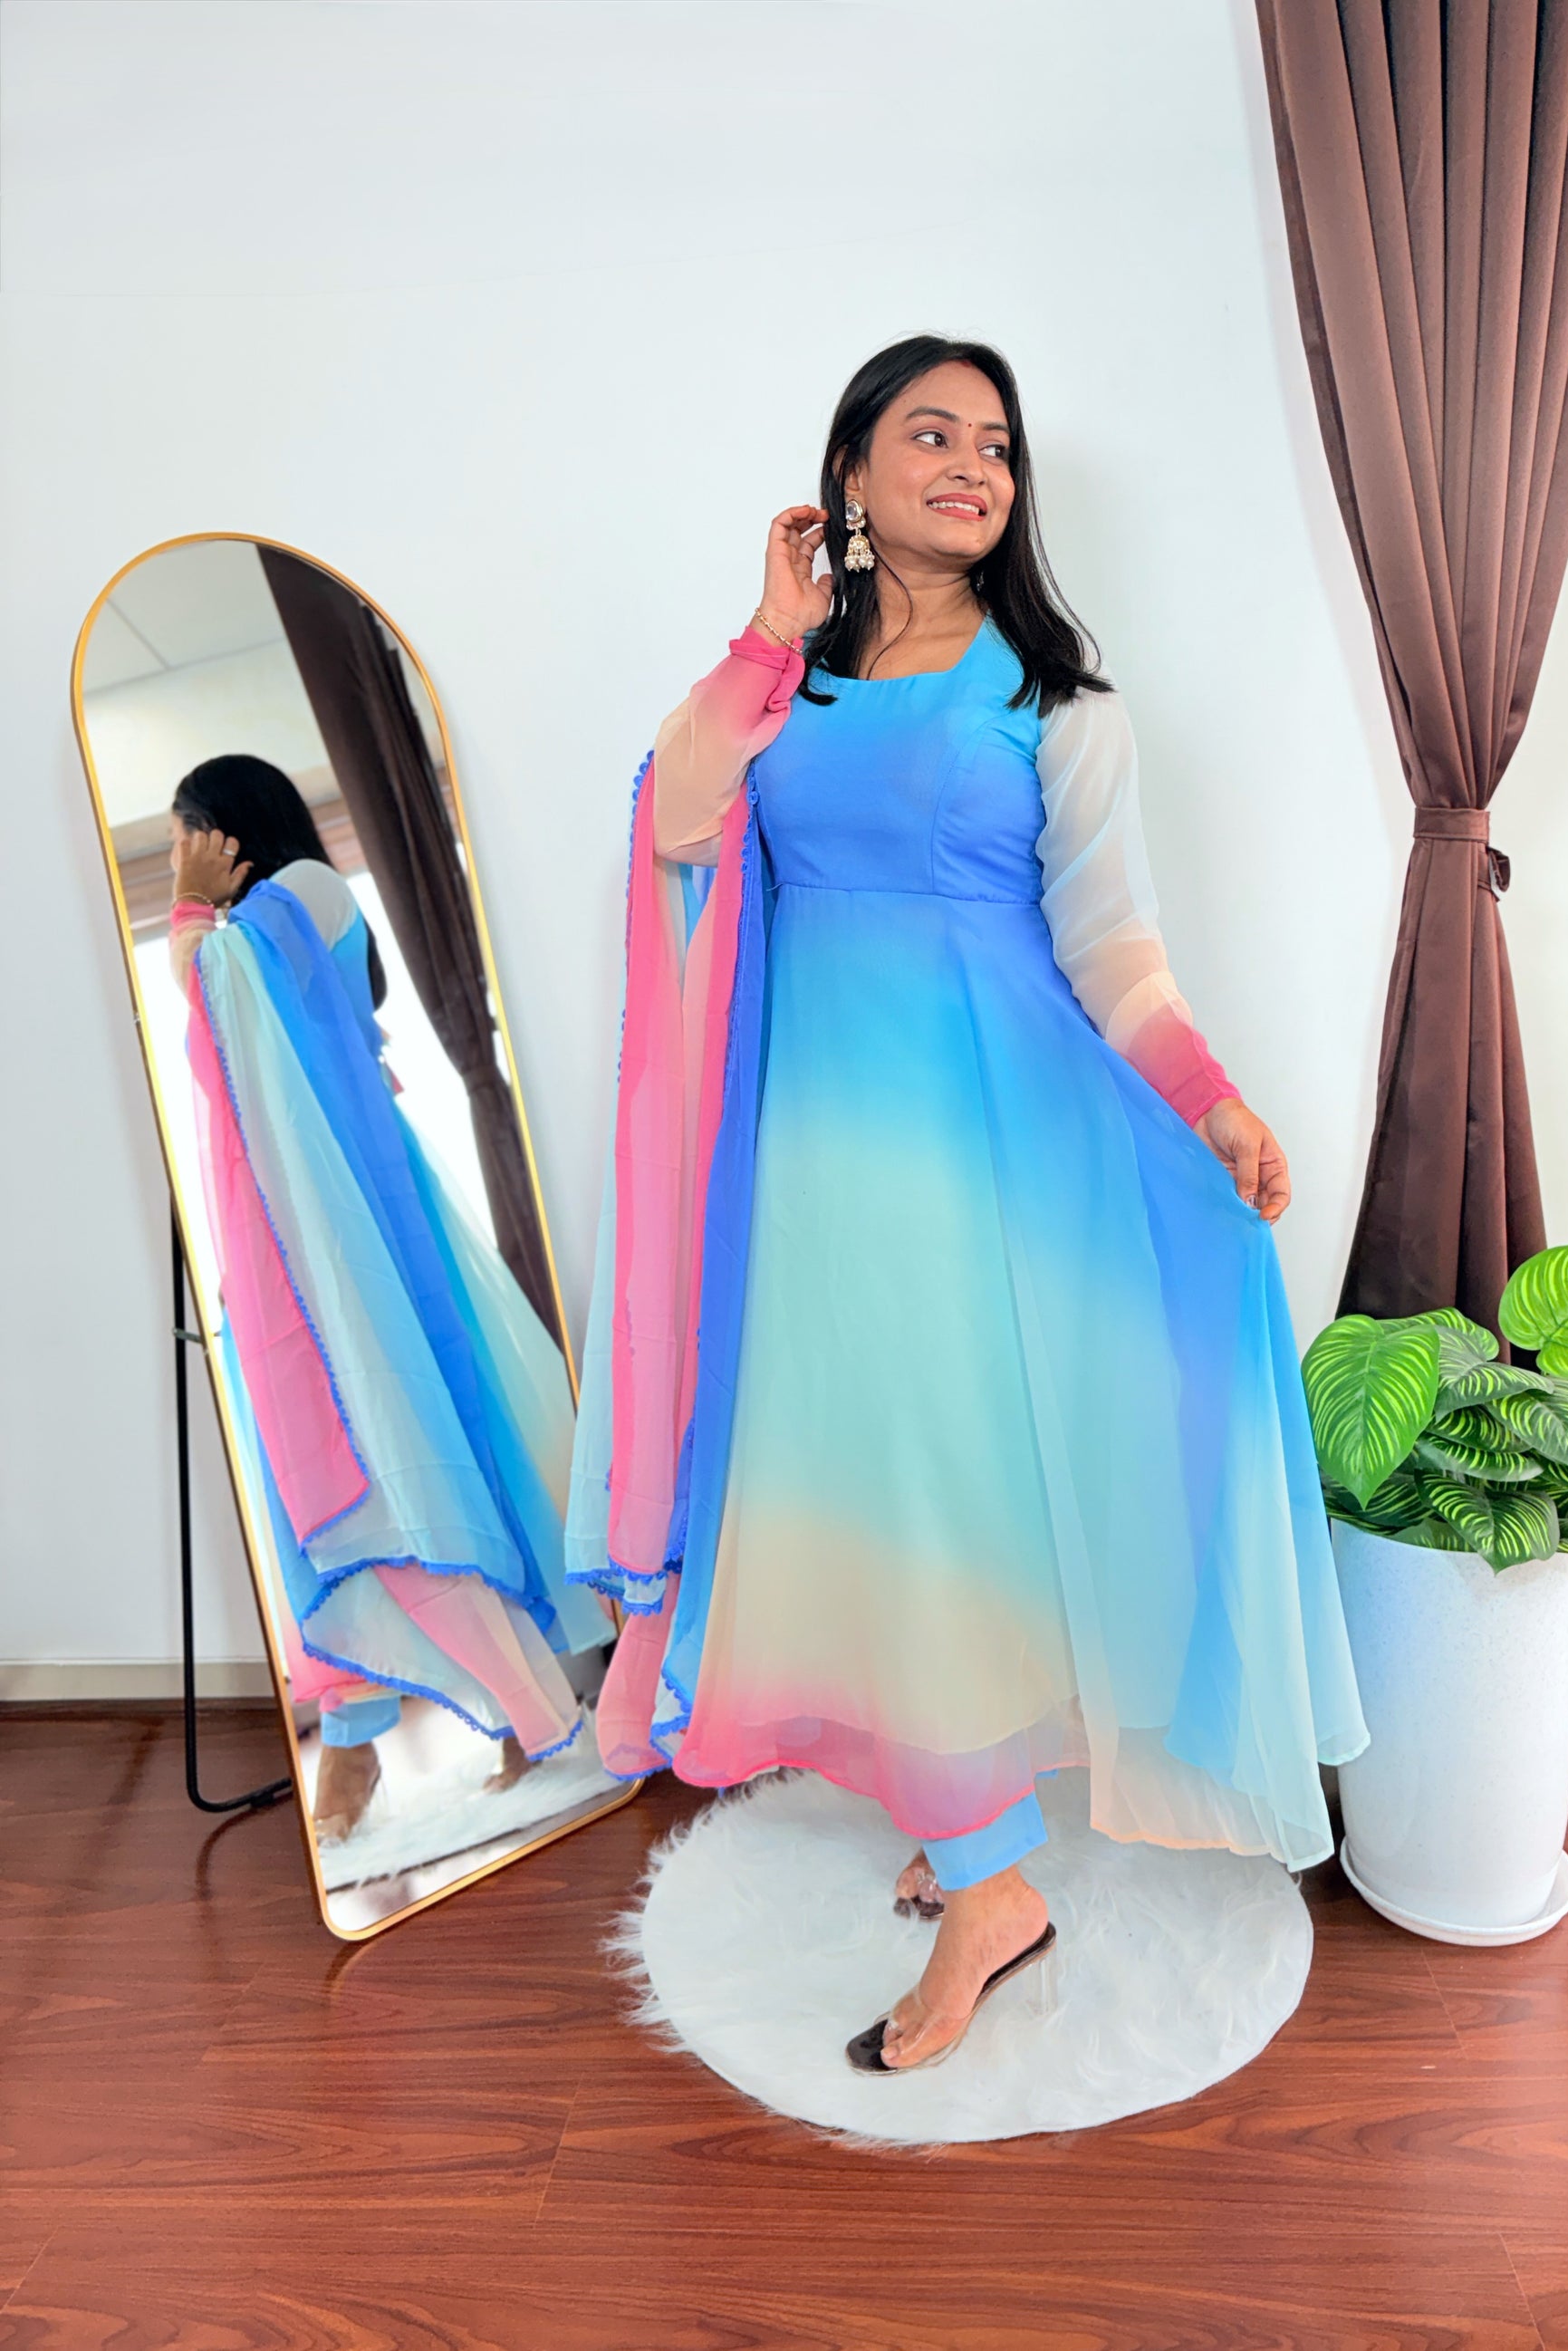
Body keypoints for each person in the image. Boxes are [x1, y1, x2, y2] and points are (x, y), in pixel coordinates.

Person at [567, 337, 1366, 2073]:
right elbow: (679, 824)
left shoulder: (1057, 704)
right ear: (850, 472)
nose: (970, 466)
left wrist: (1213, 1103)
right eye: (929, 434)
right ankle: (971, 1820)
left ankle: (994, 1886)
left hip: (984, 1159)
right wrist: (768, 629)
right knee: (862, 1491)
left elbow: (1114, 952)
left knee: (934, 1491)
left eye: (994, 444)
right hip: (805, 1166)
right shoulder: (784, 689)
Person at [168, 756, 611, 1842]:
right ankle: (358, 1737)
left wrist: (185, 904)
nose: (181, 857)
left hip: (354, 1237)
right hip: (290, 1253)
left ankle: (524, 1712)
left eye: (188, 835)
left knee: (408, 1464)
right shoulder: (255, 925)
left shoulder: (305, 895)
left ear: (233, 831)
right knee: (328, 1490)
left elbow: (216, 993)